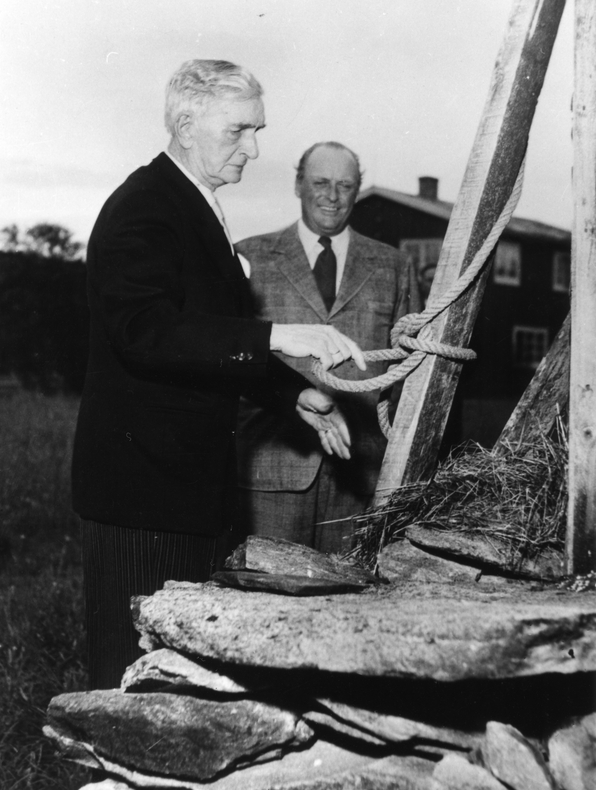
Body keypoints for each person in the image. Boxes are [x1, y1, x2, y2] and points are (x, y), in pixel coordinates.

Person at [71, 62, 367, 690]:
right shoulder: (144, 207)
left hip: (185, 492)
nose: (253, 149)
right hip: (143, 501)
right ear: (184, 124)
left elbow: (202, 345)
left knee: (177, 685)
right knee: (129, 686)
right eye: (238, 131)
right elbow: (145, 333)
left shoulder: (193, 204)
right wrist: (277, 336)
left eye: (256, 131)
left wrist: (296, 395)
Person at [236, 141, 421, 554]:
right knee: (267, 601)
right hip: (271, 474)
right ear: (298, 184)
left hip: (364, 476)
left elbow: (413, 375)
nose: (333, 196)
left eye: (345, 185)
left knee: (355, 603)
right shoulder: (249, 257)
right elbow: (230, 363)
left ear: (358, 190)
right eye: (320, 182)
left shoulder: (393, 266)